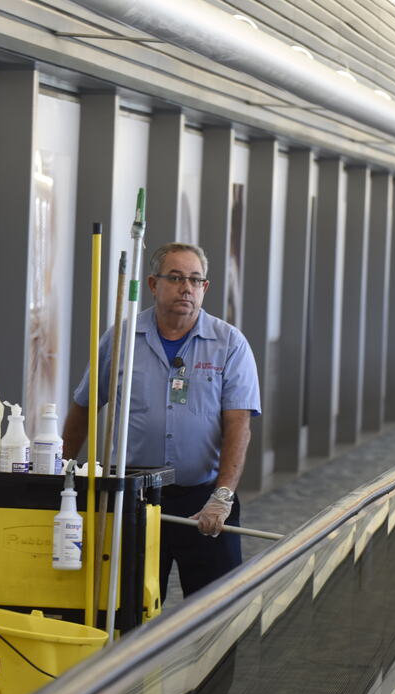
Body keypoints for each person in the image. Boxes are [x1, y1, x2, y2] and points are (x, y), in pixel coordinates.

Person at [62, 242, 261, 600]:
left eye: (196, 280)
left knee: (215, 611)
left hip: (204, 500)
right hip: (132, 495)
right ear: (153, 284)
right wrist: (60, 475)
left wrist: (223, 495)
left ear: (205, 287)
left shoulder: (229, 344)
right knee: (125, 607)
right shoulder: (121, 339)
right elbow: (84, 407)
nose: (187, 287)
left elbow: (238, 425)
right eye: (176, 278)